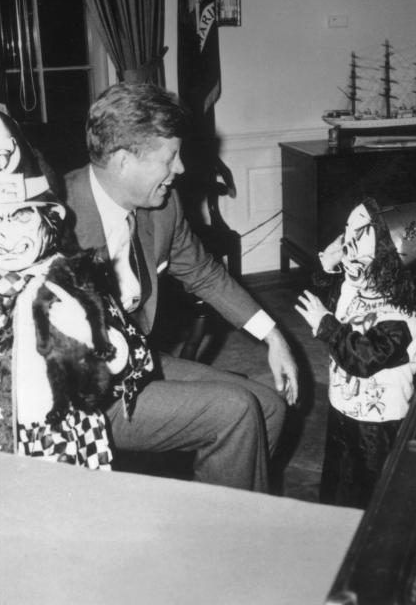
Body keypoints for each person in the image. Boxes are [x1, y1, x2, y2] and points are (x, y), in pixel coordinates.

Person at [64, 82, 299, 493]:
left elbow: (203, 271)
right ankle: (219, 538)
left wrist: (273, 335)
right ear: (122, 161)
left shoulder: (163, 205)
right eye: (169, 158)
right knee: (237, 410)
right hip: (82, 394)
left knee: (269, 408)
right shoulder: (52, 215)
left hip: (138, 364)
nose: (181, 170)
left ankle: (215, 511)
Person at [0, 111, 153, 470]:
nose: (8, 235)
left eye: (23, 216)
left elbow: (138, 361)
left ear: (50, 222)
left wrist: (93, 335)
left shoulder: (72, 281)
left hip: (70, 437)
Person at [295, 198, 416, 508]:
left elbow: (364, 359)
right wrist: (326, 268)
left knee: (374, 493)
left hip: (379, 425)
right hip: (343, 409)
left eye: (359, 232)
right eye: (346, 230)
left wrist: (327, 326)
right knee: (338, 483)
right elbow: (327, 298)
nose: (348, 240)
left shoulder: (401, 314)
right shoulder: (356, 287)